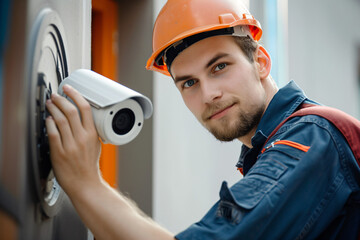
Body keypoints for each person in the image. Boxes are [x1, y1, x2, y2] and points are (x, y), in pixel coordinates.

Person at [45, 0, 360, 239]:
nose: (208, 94)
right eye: (189, 83)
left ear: (261, 62)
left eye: (219, 66)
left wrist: (85, 182)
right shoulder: (276, 148)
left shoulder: (311, 138)